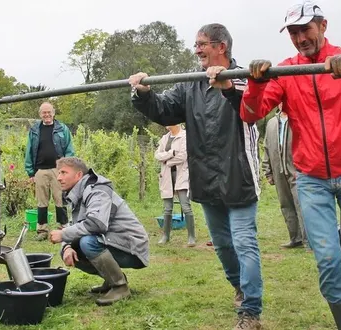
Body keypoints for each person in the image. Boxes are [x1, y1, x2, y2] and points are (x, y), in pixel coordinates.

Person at [206, 1, 341, 328]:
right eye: (293, 32)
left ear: (322, 26)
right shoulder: (287, 71)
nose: (300, 37)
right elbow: (251, 113)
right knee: (327, 258)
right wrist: (257, 83)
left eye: (305, 29)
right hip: (311, 179)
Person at [129, 23, 263, 330]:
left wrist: (226, 87)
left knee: (244, 244)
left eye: (202, 44)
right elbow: (164, 110)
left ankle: (251, 312)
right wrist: (144, 93)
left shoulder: (242, 77)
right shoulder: (191, 85)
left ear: (221, 47)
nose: (197, 49)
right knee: (224, 246)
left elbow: (253, 108)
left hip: (238, 175)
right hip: (205, 178)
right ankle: (240, 288)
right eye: (196, 45)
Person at [48, 157, 149, 306]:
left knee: (87, 242)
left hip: (132, 247)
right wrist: (67, 246)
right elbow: (73, 226)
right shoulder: (78, 193)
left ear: (78, 175)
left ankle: (120, 287)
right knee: (70, 249)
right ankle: (112, 279)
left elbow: (96, 224)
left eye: (63, 172)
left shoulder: (97, 190)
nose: (58, 177)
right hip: (114, 241)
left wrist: (63, 235)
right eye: (59, 173)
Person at [25, 102, 75, 241]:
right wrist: (30, 172)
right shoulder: (34, 130)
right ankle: (42, 230)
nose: (46, 115)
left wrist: (67, 169)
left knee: (60, 199)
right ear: (40, 114)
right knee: (42, 202)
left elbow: (69, 150)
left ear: (53, 113)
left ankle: (63, 228)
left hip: (58, 170)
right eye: (43, 112)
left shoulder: (62, 129)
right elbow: (29, 151)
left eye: (49, 112)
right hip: (40, 170)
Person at [263, 109, 307, 249]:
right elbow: (266, 148)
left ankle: (309, 241)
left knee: (302, 205)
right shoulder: (271, 123)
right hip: (278, 171)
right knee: (286, 205)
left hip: (298, 171)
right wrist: (268, 172)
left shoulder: (299, 117)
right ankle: (295, 238)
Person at [154, 124, 196, 246]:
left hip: (181, 175)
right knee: (167, 208)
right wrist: (171, 153)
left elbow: (183, 156)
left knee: (185, 205)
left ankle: (191, 237)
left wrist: (167, 162)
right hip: (167, 176)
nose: (166, 124)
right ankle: (165, 236)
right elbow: (157, 155)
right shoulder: (164, 138)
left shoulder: (185, 136)